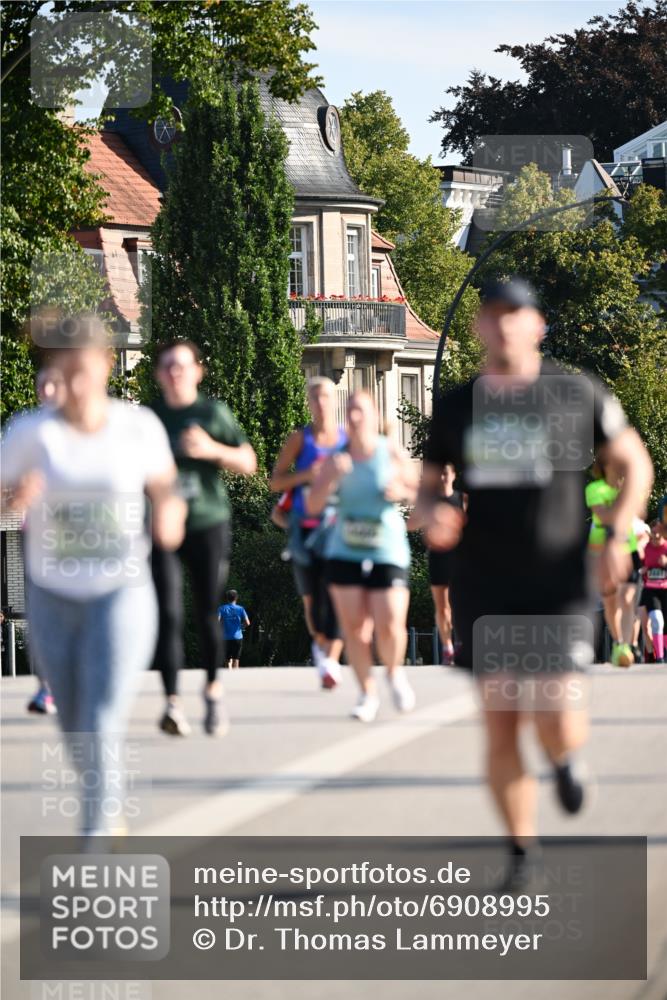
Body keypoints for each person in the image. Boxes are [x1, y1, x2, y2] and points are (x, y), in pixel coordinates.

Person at [419, 278, 653, 890]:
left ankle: (564, 759)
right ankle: (522, 851)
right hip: (485, 581)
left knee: (554, 711)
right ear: (478, 327)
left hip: (559, 578)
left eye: (514, 315)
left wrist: (622, 526)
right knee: (501, 718)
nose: (502, 327)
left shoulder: (574, 393)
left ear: (536, 324)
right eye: (491, 316)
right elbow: (429, 479)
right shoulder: (458, 405)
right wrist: (433, 511)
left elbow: (634, 462)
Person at [1, 312, 186, 841]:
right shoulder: (29, 434)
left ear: (106, 365)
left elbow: (165, 488)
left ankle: (96, 833)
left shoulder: (137, 427)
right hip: (52, 593)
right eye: (65, 370)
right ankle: (104, 802)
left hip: (121, 593)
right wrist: (15, 500)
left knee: (102, 715)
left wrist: (169, 516)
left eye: (84, 369)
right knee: (74, 720)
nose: (76, 384)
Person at [150, 340, 257, 737]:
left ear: (198, 371)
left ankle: (212, 691)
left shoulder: (212, 412)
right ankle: (172, 702)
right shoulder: (151, 419)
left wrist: (211, 449)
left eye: (182, 366)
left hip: (208, 521)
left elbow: (248, 461)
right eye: (168, 367)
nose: (175, 373)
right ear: (160, 374)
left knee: (205, 610)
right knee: (167, 612)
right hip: (162, 525)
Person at [307, 391, 419, 722]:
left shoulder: (390, 451)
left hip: (387, 547)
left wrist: (401, 493)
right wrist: (329, 481)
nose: (355, 417)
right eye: (351, 411)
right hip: (346, 548)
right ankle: (367, 693)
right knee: (355, 629)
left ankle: (395, 673)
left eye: (361, 411)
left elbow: (418, 491)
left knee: (390, 623)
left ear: (373, 416)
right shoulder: (336, 459)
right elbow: (313, 506)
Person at [270, 377, 346, 689]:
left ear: (335, 399)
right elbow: (275, 482)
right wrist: (306, 475)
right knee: (312, 599)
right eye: (314, 397)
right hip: (305, 526)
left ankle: (331, 660)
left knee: (340, 593)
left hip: (339, 528)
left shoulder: (346, 439)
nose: (320, 402)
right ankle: (320, 644)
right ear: (309, 403)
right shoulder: (299, 439)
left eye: (325, 396)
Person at [26, 367, 65, 715]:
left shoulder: (83, 428)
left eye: (56, 384)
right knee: (43, 615)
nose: (50, 391)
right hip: (40, 535)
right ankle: (45, 689)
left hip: (79, 538)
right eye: (44, 385)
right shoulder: (27, 431)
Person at [585, 461, 642, 667]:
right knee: (610, 602)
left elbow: (639, 513)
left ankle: (625, 646)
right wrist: (624, 508)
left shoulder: (629, 488)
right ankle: (618, 642)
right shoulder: (594, 488)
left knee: (627, 598)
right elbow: (603, 516)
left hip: (629, 548)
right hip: (603, 549)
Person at [408, 463, 465, 666]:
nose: (442, 477)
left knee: (460, 604)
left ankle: (461, 644)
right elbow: (411, 524)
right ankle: (447, 646)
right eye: (440, 473)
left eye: (446, 473)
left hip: (458, 558)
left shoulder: (462, 499)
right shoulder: (429, 501)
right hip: (438, 557)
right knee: (442, 608)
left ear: (453, 474)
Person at [639, 520, 667, 664]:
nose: (656, 535)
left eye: (658, 532)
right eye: (653, 532)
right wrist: (642, 570)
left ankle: (663, 652)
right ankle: (660, 658)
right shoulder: (645, 548)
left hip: (665, 589)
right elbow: (638, 566)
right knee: (656, 620)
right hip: (651, 590)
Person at [218, 590, 250, 669]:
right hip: (237, 637)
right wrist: (241, 627)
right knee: (236, 659)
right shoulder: (240, 609)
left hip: (225, 638)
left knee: (227, 660)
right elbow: (247, 623)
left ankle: (228, 677)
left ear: (227, 598)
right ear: (236, 598)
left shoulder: (221, 608)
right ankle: (235, 679)